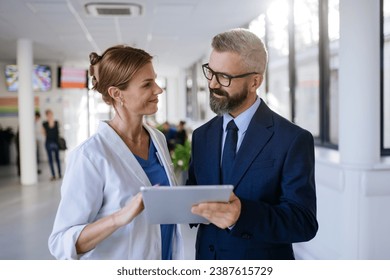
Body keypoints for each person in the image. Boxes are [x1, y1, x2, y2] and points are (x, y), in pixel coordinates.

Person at [187, 28, 318, 260]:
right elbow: (195, 193)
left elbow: (303, 222)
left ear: (254, 81)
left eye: (224, 77)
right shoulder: (201, 136)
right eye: (210, 72)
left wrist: (242, 215)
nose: (213, 84)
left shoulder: (292, 139)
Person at [48, 45, 184, 260]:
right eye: (147, 84)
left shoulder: (157, 139)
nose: (158, 89)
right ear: (117, 94)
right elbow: (61, 242)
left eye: (155, 80)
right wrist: (120, 217)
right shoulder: (89, 156)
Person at [42, 109, 62, 180]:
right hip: (48, 142)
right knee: (50, 159)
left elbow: (58, 132)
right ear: (46, 115)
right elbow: (44, 133)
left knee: (57, 159)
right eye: (48, 114)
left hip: (56, 142)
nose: (50, 115)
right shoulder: (44, 124)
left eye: (51, 114)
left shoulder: (56, 122)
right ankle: (53, 175)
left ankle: (59, 174)